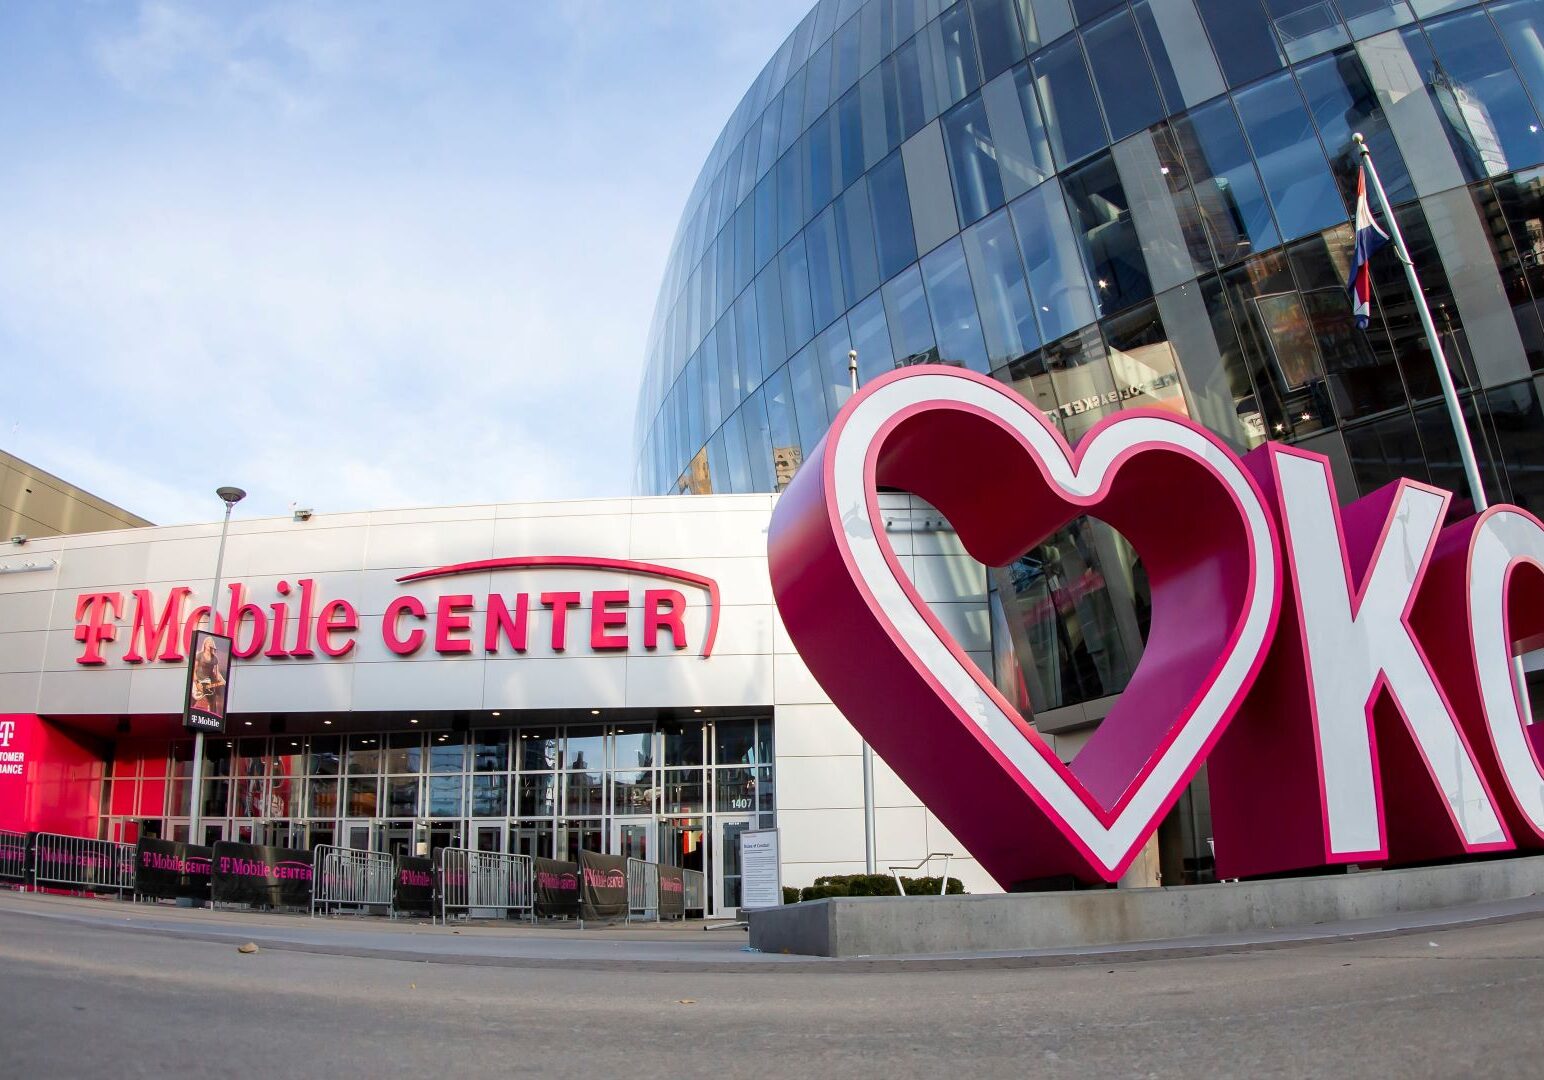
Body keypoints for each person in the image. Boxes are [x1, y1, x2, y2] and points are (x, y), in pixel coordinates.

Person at [190, 636, 227, 717]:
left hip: (208, 683)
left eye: (211, 643)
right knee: (192, 701)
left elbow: (217, 674)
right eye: (208, 642)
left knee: (213, 700)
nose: (210, 644)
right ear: (205, 644)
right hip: (198, 682)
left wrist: (224, 681)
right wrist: (197, 683)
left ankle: (213, 717)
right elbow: (194, 670)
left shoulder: (215, 658)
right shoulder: (199, 655)